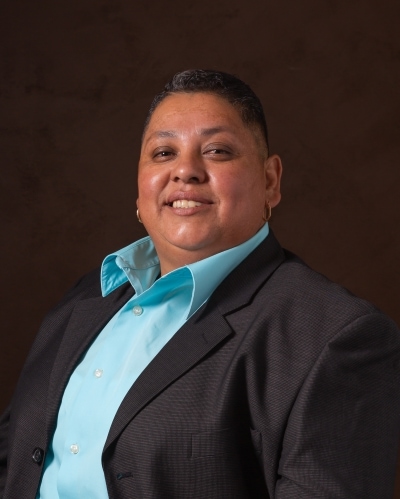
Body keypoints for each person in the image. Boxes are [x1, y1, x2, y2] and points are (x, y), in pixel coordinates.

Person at [0, 69, 399, 499]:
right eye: (163, 152)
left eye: (217, 151)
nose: (185, 171)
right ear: (140, 190)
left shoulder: (336, 336)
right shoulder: (87, 298)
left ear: (270, 181)